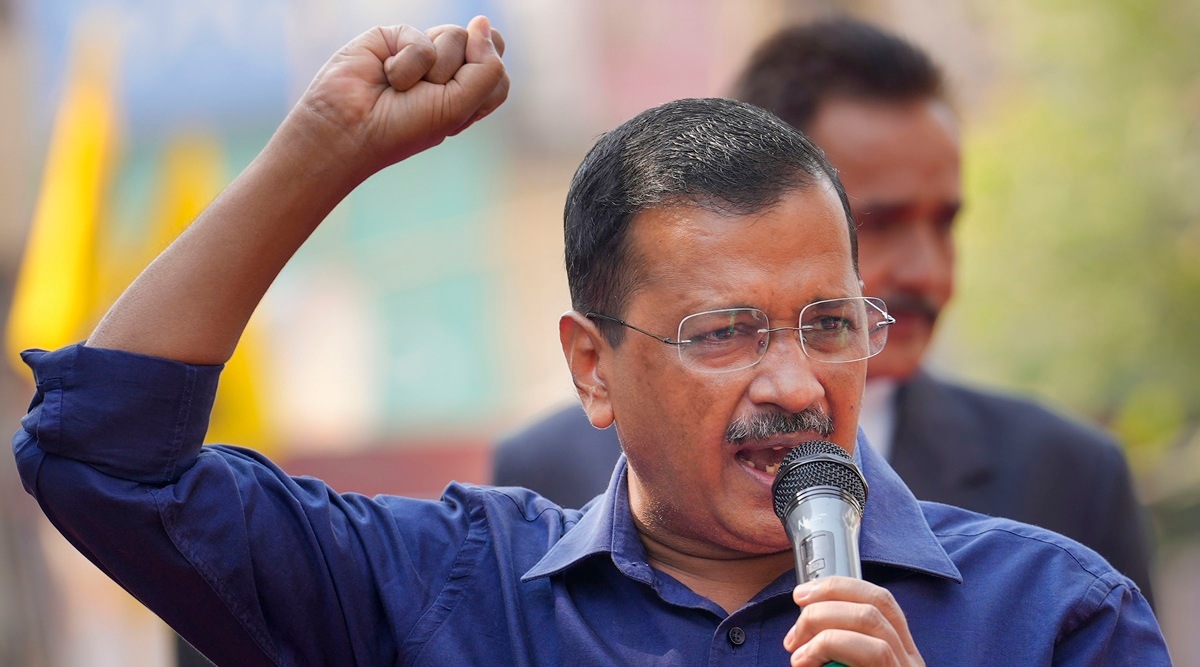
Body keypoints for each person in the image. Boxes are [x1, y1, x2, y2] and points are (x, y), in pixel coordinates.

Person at [12, 17, 1168, 665]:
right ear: (590, 367)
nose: (795, 382)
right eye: (725, 332)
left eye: (828, 324)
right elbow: (102, 461)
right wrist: (313, 158)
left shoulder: (1053, 612)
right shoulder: (451, 594)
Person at [492, 17, 1157, 606]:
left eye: (945, 222)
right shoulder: (541, 482)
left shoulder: (1065, 485)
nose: (927, 270)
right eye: (881, 220)